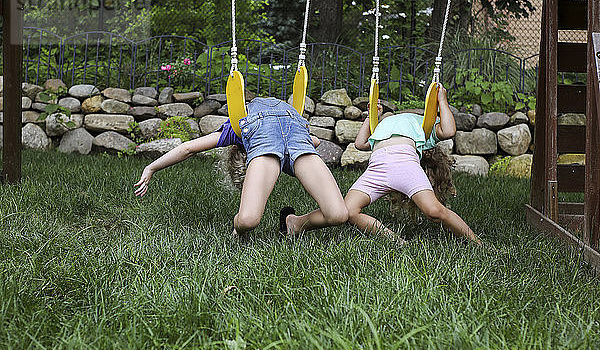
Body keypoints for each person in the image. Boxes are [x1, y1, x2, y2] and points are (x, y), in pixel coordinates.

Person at [134, 96, 348, 236]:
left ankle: (296, 224)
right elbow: (316, 142)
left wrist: (151, 168)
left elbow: (188, 148)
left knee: (338, 214)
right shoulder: (241, 130)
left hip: (298, 144)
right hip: (281, 145)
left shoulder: (238, 125)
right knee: (246, 221)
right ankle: (240, 230)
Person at [344, 84, 481, 245]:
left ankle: (478, 243)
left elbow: (449, 131)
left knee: (434, 211)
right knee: (348, 211)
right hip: (376, 168)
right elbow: (360, 144)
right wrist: (371, 116)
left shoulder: (426, 128)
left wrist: (442, 100)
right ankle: (398, 242)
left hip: (405, 164)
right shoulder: (380, 128)